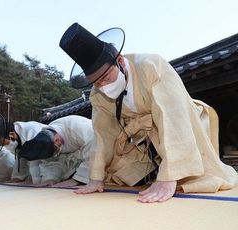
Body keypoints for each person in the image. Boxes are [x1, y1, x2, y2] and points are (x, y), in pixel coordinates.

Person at [59, 22, 238, 203]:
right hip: (145, 139)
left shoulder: (151, 66)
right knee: (120, 175)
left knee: (202, 178)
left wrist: (169, 176)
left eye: (105, 77)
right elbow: (102, 135)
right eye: (96, 83)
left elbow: (173, 117)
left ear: (119, 60)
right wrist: (95, 177)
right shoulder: (98, 95)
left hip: (185, 125)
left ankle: (173, 170)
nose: (103, 87)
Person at [19, 115, 93, 187]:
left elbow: (94, 153)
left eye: (55, 150)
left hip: (98, 150)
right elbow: (52, 161)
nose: (56, 154)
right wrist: (50, 179)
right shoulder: (46, 140)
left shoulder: (77, 128)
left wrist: (78, 179)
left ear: (56, 140)